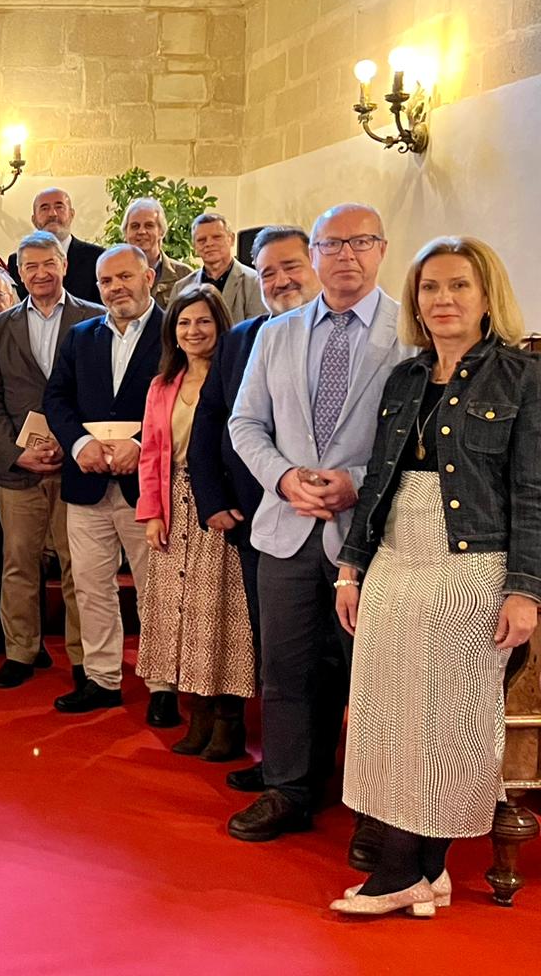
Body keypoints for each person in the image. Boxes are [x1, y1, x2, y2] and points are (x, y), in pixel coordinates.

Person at [327, 236, 539, 916]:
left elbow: (534, 493)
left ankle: (406, 871)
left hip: (472, 566)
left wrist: (527, 589)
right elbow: (379, 484)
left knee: (449, 720)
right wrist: (350, 568)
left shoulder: (524, 378)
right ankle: (422, 871)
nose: (442, 300)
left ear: (486, 298)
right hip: (395, 557)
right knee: (387, 716)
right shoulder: (406, 378)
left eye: (458, 287)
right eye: (429, 288)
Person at [226, 203, 412, 851]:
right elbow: (244, 423)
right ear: (314, 254)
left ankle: (374, 807)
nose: (346, 255)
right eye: (333, 244)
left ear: (382, 249)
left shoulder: (408, 330)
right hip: (285, 528)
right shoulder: (277, 333)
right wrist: (280, 477)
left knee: (372, 675)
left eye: (361, 242)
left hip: (372, 535)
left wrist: (358, 478)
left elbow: (419, 431)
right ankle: (288, 788)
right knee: (286, 667)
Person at [187, 224, 323, 792]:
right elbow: (212, 420)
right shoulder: (243, 337)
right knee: (278, 655)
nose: (280, 280)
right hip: (255, 521)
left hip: (339, 520)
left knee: (339, 661)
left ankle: (332, 774)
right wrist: (213, 501)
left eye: (291, 266)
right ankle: (284, 768)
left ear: (317, 264)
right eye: (267, 272)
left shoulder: (361, 338)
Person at [0, 231, 105, 690]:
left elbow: (103, 396)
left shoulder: (96, 318)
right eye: (29, 267)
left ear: (64, 265)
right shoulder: (0, 327)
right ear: (18, 272)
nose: (39, 273)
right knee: (19, 564)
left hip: (78, 466)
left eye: (47, 263)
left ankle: (82, 657)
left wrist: (76, 447)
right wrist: (16, 452)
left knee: (80, 567)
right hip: (17, 471)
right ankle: (21, 650)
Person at [42, 244, 168, 717]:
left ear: (148, 277)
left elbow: (182, 401)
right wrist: (78, 446)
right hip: (87, 483)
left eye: (125, 277)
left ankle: (162, 685)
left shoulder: (173, 332)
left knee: (154, 587)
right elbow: (56, 398)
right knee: (92, 585)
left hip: (148, 485)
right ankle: (101, 678)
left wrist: (145, 447)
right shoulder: (80, 336)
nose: (116, 288)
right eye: (106, 282)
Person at [134, 285, 256, 760]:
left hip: (219, 507)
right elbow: (149, 455)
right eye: (184, 323)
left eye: (203, 321)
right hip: (172, 504)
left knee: (222, 618)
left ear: (220, 324)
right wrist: (152, 513)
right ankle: (198, 715)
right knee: (180, 617)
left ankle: (229, 722)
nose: (193, 330)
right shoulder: (163, 384)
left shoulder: (238, 376)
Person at [5, 188, 105, 303]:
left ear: (72, 214)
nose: (52, 214)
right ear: (34, 220)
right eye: (44, 208)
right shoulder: (15, 262)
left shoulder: (97, 257)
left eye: (59, 207)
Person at [171, 214, 261, 322]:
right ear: (194, 246)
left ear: (231, 239)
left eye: (216, 237)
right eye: (201, 240)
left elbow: (256, 330)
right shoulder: (181, 288)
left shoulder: (255, 283)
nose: (209, 243)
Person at [122, 198, 193, 308]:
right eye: (135, 226)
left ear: (161, 231)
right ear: (126, 233)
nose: (141, 231)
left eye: (149, 225)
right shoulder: (113, 275)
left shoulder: (184, 276)